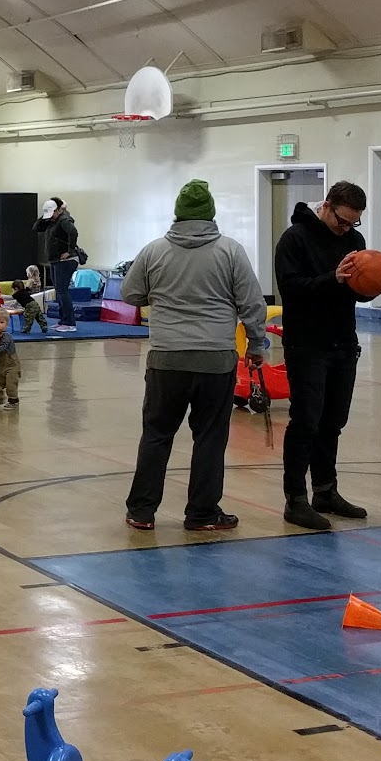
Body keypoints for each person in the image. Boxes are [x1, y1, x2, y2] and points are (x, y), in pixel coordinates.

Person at [120, 180, 268, 533]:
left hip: (166, 360)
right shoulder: (230, 251)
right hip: (216, 360)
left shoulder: (154, 251)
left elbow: (130, 293)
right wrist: (256, 345)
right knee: (210, 438)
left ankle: (142, 511)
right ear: (211, 214)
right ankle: (202, 514)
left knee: (157, 435)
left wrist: (162, 295)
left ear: (178, 214)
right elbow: (251, 302)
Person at [275, 180, 371, 530]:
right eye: (342, 220)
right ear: (327, 206)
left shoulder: (354, 240)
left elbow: (355, 292)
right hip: (306, 345)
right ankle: (295, 500)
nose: (347, 228)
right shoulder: (294, 239)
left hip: (343, 343)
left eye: (353, 222)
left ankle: (325, 491)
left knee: (333, 422)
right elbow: (290, 289)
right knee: (305, 422)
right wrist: (334, 279)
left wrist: (372, 283)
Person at [34, 198, 81, 333]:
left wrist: (69, 251)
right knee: (59, 291)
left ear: (58, 210)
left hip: (66, 261)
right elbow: (36, 227)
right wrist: (45, 217)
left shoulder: (64, 220)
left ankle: (69, 323)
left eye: (53, 213)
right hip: (55, 260)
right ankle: (63, 320)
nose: (51, 216)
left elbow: (73, 232)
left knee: (62, 290)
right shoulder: (51, 221)